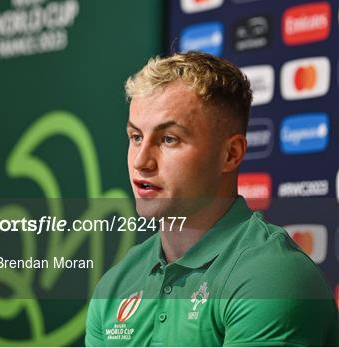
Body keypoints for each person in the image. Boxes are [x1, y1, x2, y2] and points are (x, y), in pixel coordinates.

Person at [85, 52, 338, 346]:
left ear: (230, 154)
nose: (141, 161)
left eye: (169, 139)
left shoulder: (272, 278)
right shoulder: (116, 284)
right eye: (136, 137)